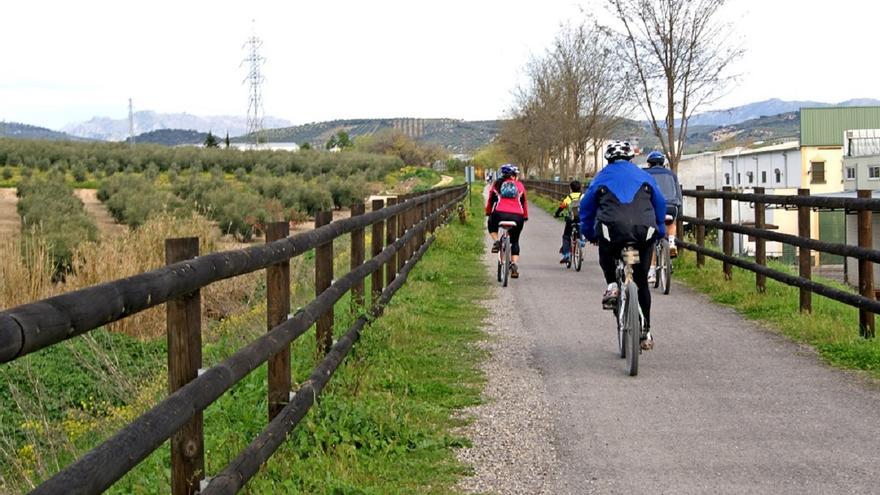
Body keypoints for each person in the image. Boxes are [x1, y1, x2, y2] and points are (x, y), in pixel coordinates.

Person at [580, 141, 667, 350]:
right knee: (640, 280)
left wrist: (590, 233)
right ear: (631, 158)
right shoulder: (644, 176)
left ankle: (612, 285)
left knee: (607, 249)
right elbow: (660, 202)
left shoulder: (601, 176)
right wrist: (661, 229)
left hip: (614, 233)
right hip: (641, 234)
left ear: (608, 159)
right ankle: (645, 332)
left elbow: (586, 206)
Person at [643, 150, 683, 284]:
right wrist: (679, 208)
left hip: (652, 207)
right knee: (671, 222)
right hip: (671, 205)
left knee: (652, 239)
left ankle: (652, 271)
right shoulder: (672, 175)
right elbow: (678, 193)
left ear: (649, 163)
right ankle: (671, 242)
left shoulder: (645, 174)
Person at [485, 164, 529, 278]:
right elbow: (524, 202)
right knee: (515, 241)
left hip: (499, 214)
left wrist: (489, 212)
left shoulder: (497, 184)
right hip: (517, 216)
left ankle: (496, 241)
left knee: (491, 224)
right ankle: (514, 264)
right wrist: (525, 216)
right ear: (514, 175)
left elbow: (491, 200)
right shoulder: (519, 185)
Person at [553, 180, 583, 264]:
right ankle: (581, 241)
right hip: (581, 218)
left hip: (571, 219)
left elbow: (562, 207)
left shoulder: (569, 197)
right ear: (580, 188)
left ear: (571, 189)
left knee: (566, 236)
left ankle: (566, 254)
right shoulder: (583, 196)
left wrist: (557, 214)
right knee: (580, 227)